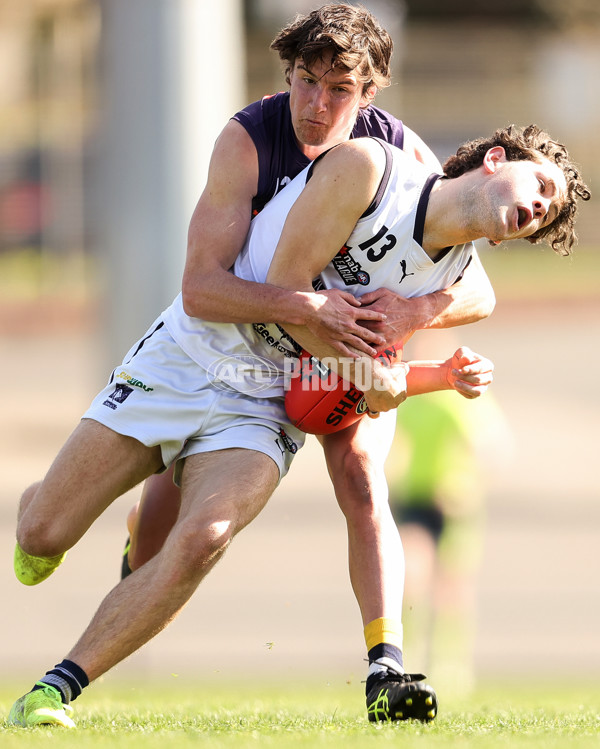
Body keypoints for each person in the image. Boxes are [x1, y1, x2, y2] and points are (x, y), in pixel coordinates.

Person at [8, 123, 589, 729]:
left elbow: (476, 297)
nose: (541, 206)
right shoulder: (372, 170)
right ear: (496, 158)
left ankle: (53, 691)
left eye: (547, 215)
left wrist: (421, 351)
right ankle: (59, 507)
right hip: (197, 351)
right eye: (542, 185)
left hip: (268, 400)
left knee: (210, 536)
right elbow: (286, 288)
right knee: (44, 534)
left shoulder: (454, 278)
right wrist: (367, 370)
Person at [122, 2, 497, 578]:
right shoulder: (252, 139)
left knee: (363, 479)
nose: (319, 104)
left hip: (339, 338)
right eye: (306, 81)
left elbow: (477, 286)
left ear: (368, 93)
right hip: (250, 329)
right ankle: (132, 545)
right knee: (162, 505)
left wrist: (412, 311)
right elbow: (202, 288)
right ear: (290, 75)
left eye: (341, 89)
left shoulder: (399, 151)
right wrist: (304, 306)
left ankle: (385, 657)